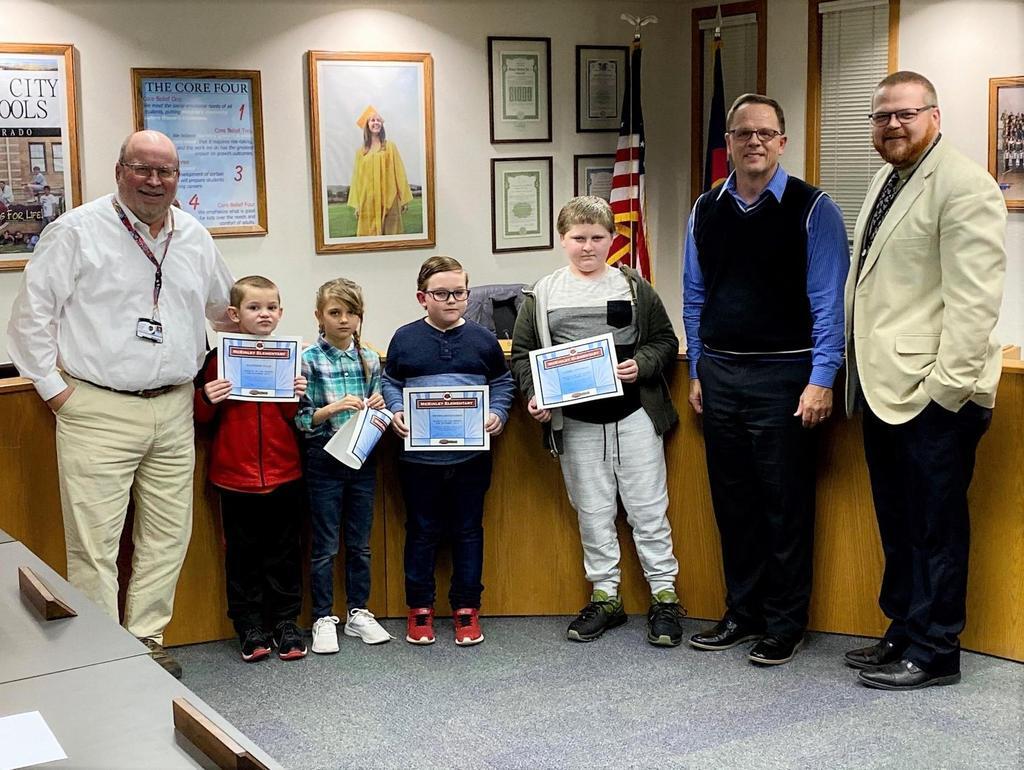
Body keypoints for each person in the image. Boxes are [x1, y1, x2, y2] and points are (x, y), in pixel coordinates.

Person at [6, 130, 235, 678]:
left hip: (174, 408)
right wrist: (56, 392)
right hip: (97, 409)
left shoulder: (194, 236)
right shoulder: (76, 231)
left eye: (166, 171)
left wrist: (266, 341)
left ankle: (147, 640)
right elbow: (30, 319)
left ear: (178, 177)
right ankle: (104, 655)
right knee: (94, 544)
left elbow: (222, 308)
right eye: (142, 169)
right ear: (119, 171)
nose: (155, 181)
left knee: (167, 535)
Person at [843, 71, 1007, 691]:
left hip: (935, 396)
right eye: (881, 116)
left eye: (905, 114)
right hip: (884, 388)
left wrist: (945, 394)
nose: (892, 125)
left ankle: (937, 650)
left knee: (936, 530)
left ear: (934, 116)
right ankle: (905, 630)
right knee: (900, 524)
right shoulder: (886, 179)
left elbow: (974, 304)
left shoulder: (964, 186)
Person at [682, 94, 849, 666]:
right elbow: (695, 296)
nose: (753, 141)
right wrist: (698, 368)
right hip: (720, 374)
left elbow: (828, 303)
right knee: (734, 504)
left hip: (787, 377)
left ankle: (784, 623)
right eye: (742, 133)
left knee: (785, 505)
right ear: (728, 143)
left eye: (765, 133)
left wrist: (822, 378)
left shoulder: (813, 208)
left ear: (782, 141)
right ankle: (743, 612)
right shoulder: (705, 208)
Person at [511, 196, 686, 647]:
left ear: (612, 238)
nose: (587, 247)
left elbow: (665, 341)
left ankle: (665, 597)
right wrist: (535, 395)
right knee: (593, 513)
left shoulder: (634, 286)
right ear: (562, 240)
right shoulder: (542, 294)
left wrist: (642, 364)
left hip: (634, 415)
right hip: (576, 424)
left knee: (648, 511)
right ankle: (606, 597)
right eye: (577, 238)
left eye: (596, 237)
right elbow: (523, 355)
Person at [383, 256, 514, 646]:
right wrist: (396, 409)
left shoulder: (483, 339)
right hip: (418, 460)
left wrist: (497, 412)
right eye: (441, 294)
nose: (452, 300)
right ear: (422, 297)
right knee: (421, 532)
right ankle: (419, 608)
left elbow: (503, 383)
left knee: (468, 532)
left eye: (459, 293)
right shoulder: (404, 338)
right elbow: (390, 382)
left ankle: (467, 608)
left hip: (471, 459)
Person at [194, 275, 309, 663]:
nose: (264, 314)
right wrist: (206, 397)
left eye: (271, 307)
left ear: (281, 312)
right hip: (235, 476)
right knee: (242, 557)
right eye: (254, 307)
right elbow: (201, 418)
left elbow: (292, 418)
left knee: (284, 554)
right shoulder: (217, 359)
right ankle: (249, 625)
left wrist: (295, 394)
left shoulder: (289, 355)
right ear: (234, 313)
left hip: (283, 473)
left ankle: (286, 622)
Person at [296, 278, 393, 653]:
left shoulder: (368, 358)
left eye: (351, 313)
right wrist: (333, 408)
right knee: (324, 545)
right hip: (323, 457)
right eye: (335, 312)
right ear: (319, 316)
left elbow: (377, 408)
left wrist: (378, 408)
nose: (343, 320)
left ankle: (358, 612)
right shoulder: (308, 359)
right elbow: (302, 420)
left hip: (360, 459)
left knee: (359, 544)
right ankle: (323, 616)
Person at [347, 106, 413, 236]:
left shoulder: (390, 147)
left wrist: (403, 198)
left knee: (391, 235)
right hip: (368, 200)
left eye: (378, 120)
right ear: (367, 125)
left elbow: (399, 172)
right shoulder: (361, 152)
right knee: (369, 238)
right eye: (372, 120)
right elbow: (357, 180)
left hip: (389, 198)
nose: (376, 123)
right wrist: (358, 204)